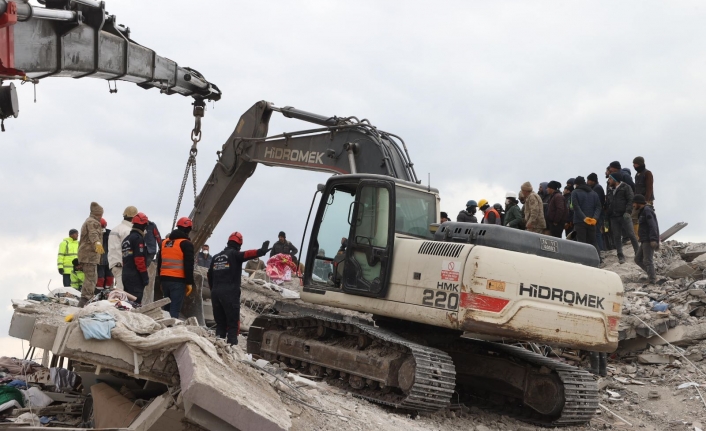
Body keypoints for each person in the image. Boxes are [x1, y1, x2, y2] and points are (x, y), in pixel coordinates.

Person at [208, 232, 270, 345]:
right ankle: (231, 349)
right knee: (232, 324)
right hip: (230, 294)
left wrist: (214, 290)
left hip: (215, 294)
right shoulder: (234, 255)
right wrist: (261, 251)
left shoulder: (216, 257)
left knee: (220, 323)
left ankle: (218, 345)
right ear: (239, 244)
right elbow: (247, 254)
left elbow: (209, 275)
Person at [158, 217, 195, 318]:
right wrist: (189, 282)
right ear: (188, 229)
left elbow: (159, 263)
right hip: (177, 281)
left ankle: (164, 328)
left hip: (165, 279)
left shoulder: (165, 243)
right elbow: (189, 265)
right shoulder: (186, 244)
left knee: (167, 308)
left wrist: (160, 280)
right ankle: (172, 331)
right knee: (175, 309)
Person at [607, 172, 639, 264]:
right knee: (616, 237)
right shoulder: (610, 190)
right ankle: (620, 256)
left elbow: (631, 199)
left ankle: (638, 253)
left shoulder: (626, 187)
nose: (609, 181)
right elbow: (608, 202)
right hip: (614, 216)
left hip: (624, 215)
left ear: (615, 179)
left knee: (631, 234)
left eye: (610, 179)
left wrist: (628, 212)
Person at [77, 202, 105, 307]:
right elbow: (93, 234)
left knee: (90, 277)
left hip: (85, 254)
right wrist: (97, 243)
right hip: (90, 255)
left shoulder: (88, 221)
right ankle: (86, 300)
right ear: (99, 214)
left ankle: (85, 299)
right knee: (91, 278)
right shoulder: (93, 222)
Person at [121, 213, 151, 303]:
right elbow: (139, 260)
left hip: (126, 274)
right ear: (143, 225)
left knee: (127, 304)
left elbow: (124, 259)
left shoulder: (126, 239)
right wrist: (145, 276)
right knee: (135, 304)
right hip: (135, 277)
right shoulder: (138, 239)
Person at [108, 206, 139, 290]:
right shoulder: (128, 230)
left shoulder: (115, 229)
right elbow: (127, 248)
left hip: (114, 263)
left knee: (120, 289)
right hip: (123, 265)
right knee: (123, 292)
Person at [570, 177, 601, 254]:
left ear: (576, 184)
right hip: (592, 222)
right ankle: (598, 260)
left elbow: (576, 207)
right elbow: (598, 207)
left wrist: (584, 218)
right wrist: (595, 218)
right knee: (593, 242)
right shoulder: (594, 193)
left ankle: (584, 261)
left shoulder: (575, 192)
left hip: (579, 222)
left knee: (581, 243)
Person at [634, 194, 660, 284]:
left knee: (647, 260)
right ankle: (652, 275)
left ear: (638, 203)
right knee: (637, 259)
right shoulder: (642, 211)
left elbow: (652, 225)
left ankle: (652, 280)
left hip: (649, 240)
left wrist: (653, 239)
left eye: (634, 203)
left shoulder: (647, 211)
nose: (633, 205)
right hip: (644, 239)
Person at [633, 156, 655, 235]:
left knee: (647, 217)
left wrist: (646, 200)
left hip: (646, 200)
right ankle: (637, 236)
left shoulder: (647, 173)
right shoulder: (637, 175)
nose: (634, 166)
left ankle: (651, 234)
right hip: (637, 201)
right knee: (635, 217)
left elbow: (649, 188)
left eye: (635, 164)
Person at [142, 220, 162, 304]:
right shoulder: (138, 225)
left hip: (150, 250)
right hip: (142, 249)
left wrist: (162, 247)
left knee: (144, 267)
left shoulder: (152, 225)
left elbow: (158, 237)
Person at [587, 173, 606, 252]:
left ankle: (600, 249)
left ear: (593, 181)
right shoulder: (595, 188)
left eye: (588, 180)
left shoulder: (597, 188)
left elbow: (597, 202)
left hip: (598, 214)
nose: (587, 182)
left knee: (597, 232)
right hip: (597, 213)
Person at [97, 218, 114, 289]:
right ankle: (106, 290)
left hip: (101, 259)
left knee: (101, 276)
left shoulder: (95, 234)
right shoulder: (110, 233)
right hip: (109, 259)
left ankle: (101, 291)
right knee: (107, 276)